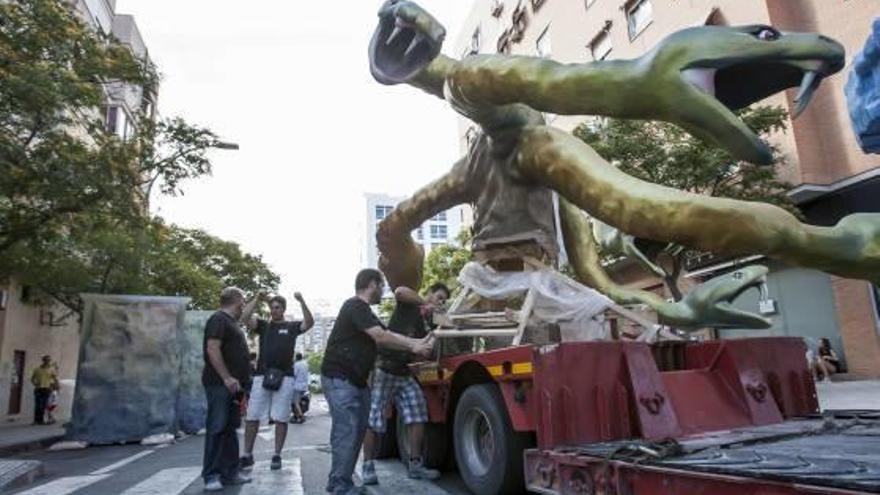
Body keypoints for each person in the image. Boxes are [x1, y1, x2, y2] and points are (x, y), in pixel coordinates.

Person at [321, 269, 436, 495]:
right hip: (339, 379)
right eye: (381, 285)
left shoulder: (368, 314)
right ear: (373, 284)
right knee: (348, 430)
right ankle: (339, 485)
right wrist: (414, 345)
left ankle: (342, 482)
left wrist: (417, 342)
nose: (383, 290)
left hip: (357, 381)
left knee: (358, 429)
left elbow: (387, 334)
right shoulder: (354, 306)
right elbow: (381, 336)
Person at [361, 283, 450, 484]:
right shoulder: (410, 304)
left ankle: (415, 465)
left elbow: (430, 348)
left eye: (444, 300)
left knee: (418, 413)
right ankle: (367, 466)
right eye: (439, 296)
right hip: (384, 368)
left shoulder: (433, 321)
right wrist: (425, 303)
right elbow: (400, 290)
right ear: (429, 294)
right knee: (374, 418)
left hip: (405, 372)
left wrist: (426, 351)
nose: (441, 301)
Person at [239, 291, 314, 472]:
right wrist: (257, 298)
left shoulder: (291, 326)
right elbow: (245, 317)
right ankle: (247, 454)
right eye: (271, 307)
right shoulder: (264, 326)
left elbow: (309, 322)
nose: (274, 310)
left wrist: (302, 300)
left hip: (285, 377)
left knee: (281, 418)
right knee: (252, 416)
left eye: (277, 307)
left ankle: (276, 455)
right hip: (261, 376)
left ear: (284, 309)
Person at [201, 287, 253, 492]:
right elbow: (212, 348)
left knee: (230, 428)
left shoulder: (232, 322)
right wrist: (226, 377)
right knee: (217, 427)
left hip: (234, 387)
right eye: (243, 301)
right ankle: (211, 475)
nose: (243, 306)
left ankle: (230, 473)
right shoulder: (218, 320)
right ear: (238, 301)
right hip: (220, 384)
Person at [30, 355, 57, 426]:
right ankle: (36, 421)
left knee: (44, 405)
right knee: (37, 405)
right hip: (38, 389)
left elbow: (55, 379)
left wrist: (55, 386)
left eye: (49, 360)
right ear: (43, 361)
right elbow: (32, 379)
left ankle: (42, 420)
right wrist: (35, 384)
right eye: (46, 360)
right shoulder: (37, 369)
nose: (48, 362)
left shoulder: (52, 369)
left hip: (47, 389)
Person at [291, 352, 309, 423]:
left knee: (295, 402)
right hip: (304, 385)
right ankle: (297, 415)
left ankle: (301, 416)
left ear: (296, 358)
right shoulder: (305, 364)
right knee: (299, 401)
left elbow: (294, 374)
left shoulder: (297, 365)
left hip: (297, 386)